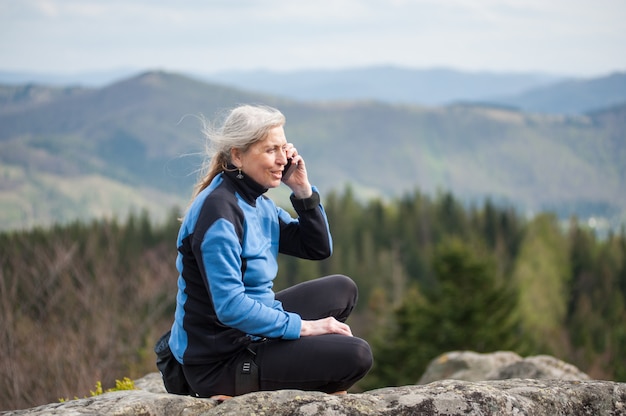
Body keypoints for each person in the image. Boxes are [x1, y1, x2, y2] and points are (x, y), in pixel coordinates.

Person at [168, 104, 373, 398]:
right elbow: (230, 307)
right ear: (237, 154)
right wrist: (304, 328)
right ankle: (245, 385)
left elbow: (316, 247)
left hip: (250, 330)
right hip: (219, 360)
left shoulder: (256, 201)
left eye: (283, 148)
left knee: (343, 289)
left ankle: (284, 365)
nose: (281, 160)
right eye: (270, 150)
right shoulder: (219, 214)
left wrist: (302, 189)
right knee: (356, 355)